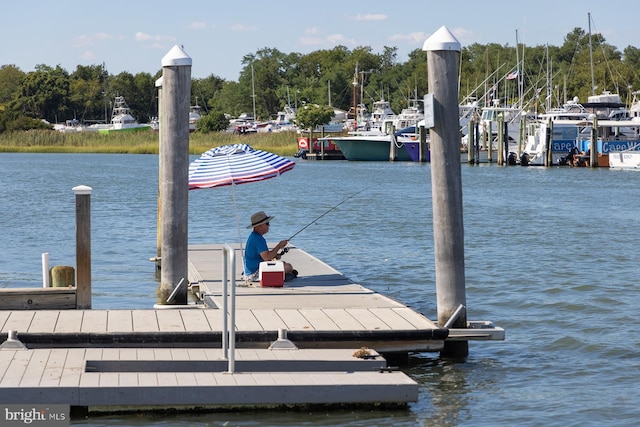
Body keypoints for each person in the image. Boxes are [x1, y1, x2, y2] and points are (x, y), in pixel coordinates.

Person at [243, 211, 297, 282]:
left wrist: (274, 255)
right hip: (254, 273)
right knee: (288, 267)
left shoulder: (254, 236)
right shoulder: (258, 239)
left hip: (251, 271)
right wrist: (279, 246)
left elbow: (264, 256)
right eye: (267, 223)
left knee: (285, 265)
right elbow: (266, 257)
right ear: (260, 225)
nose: (269, 226)